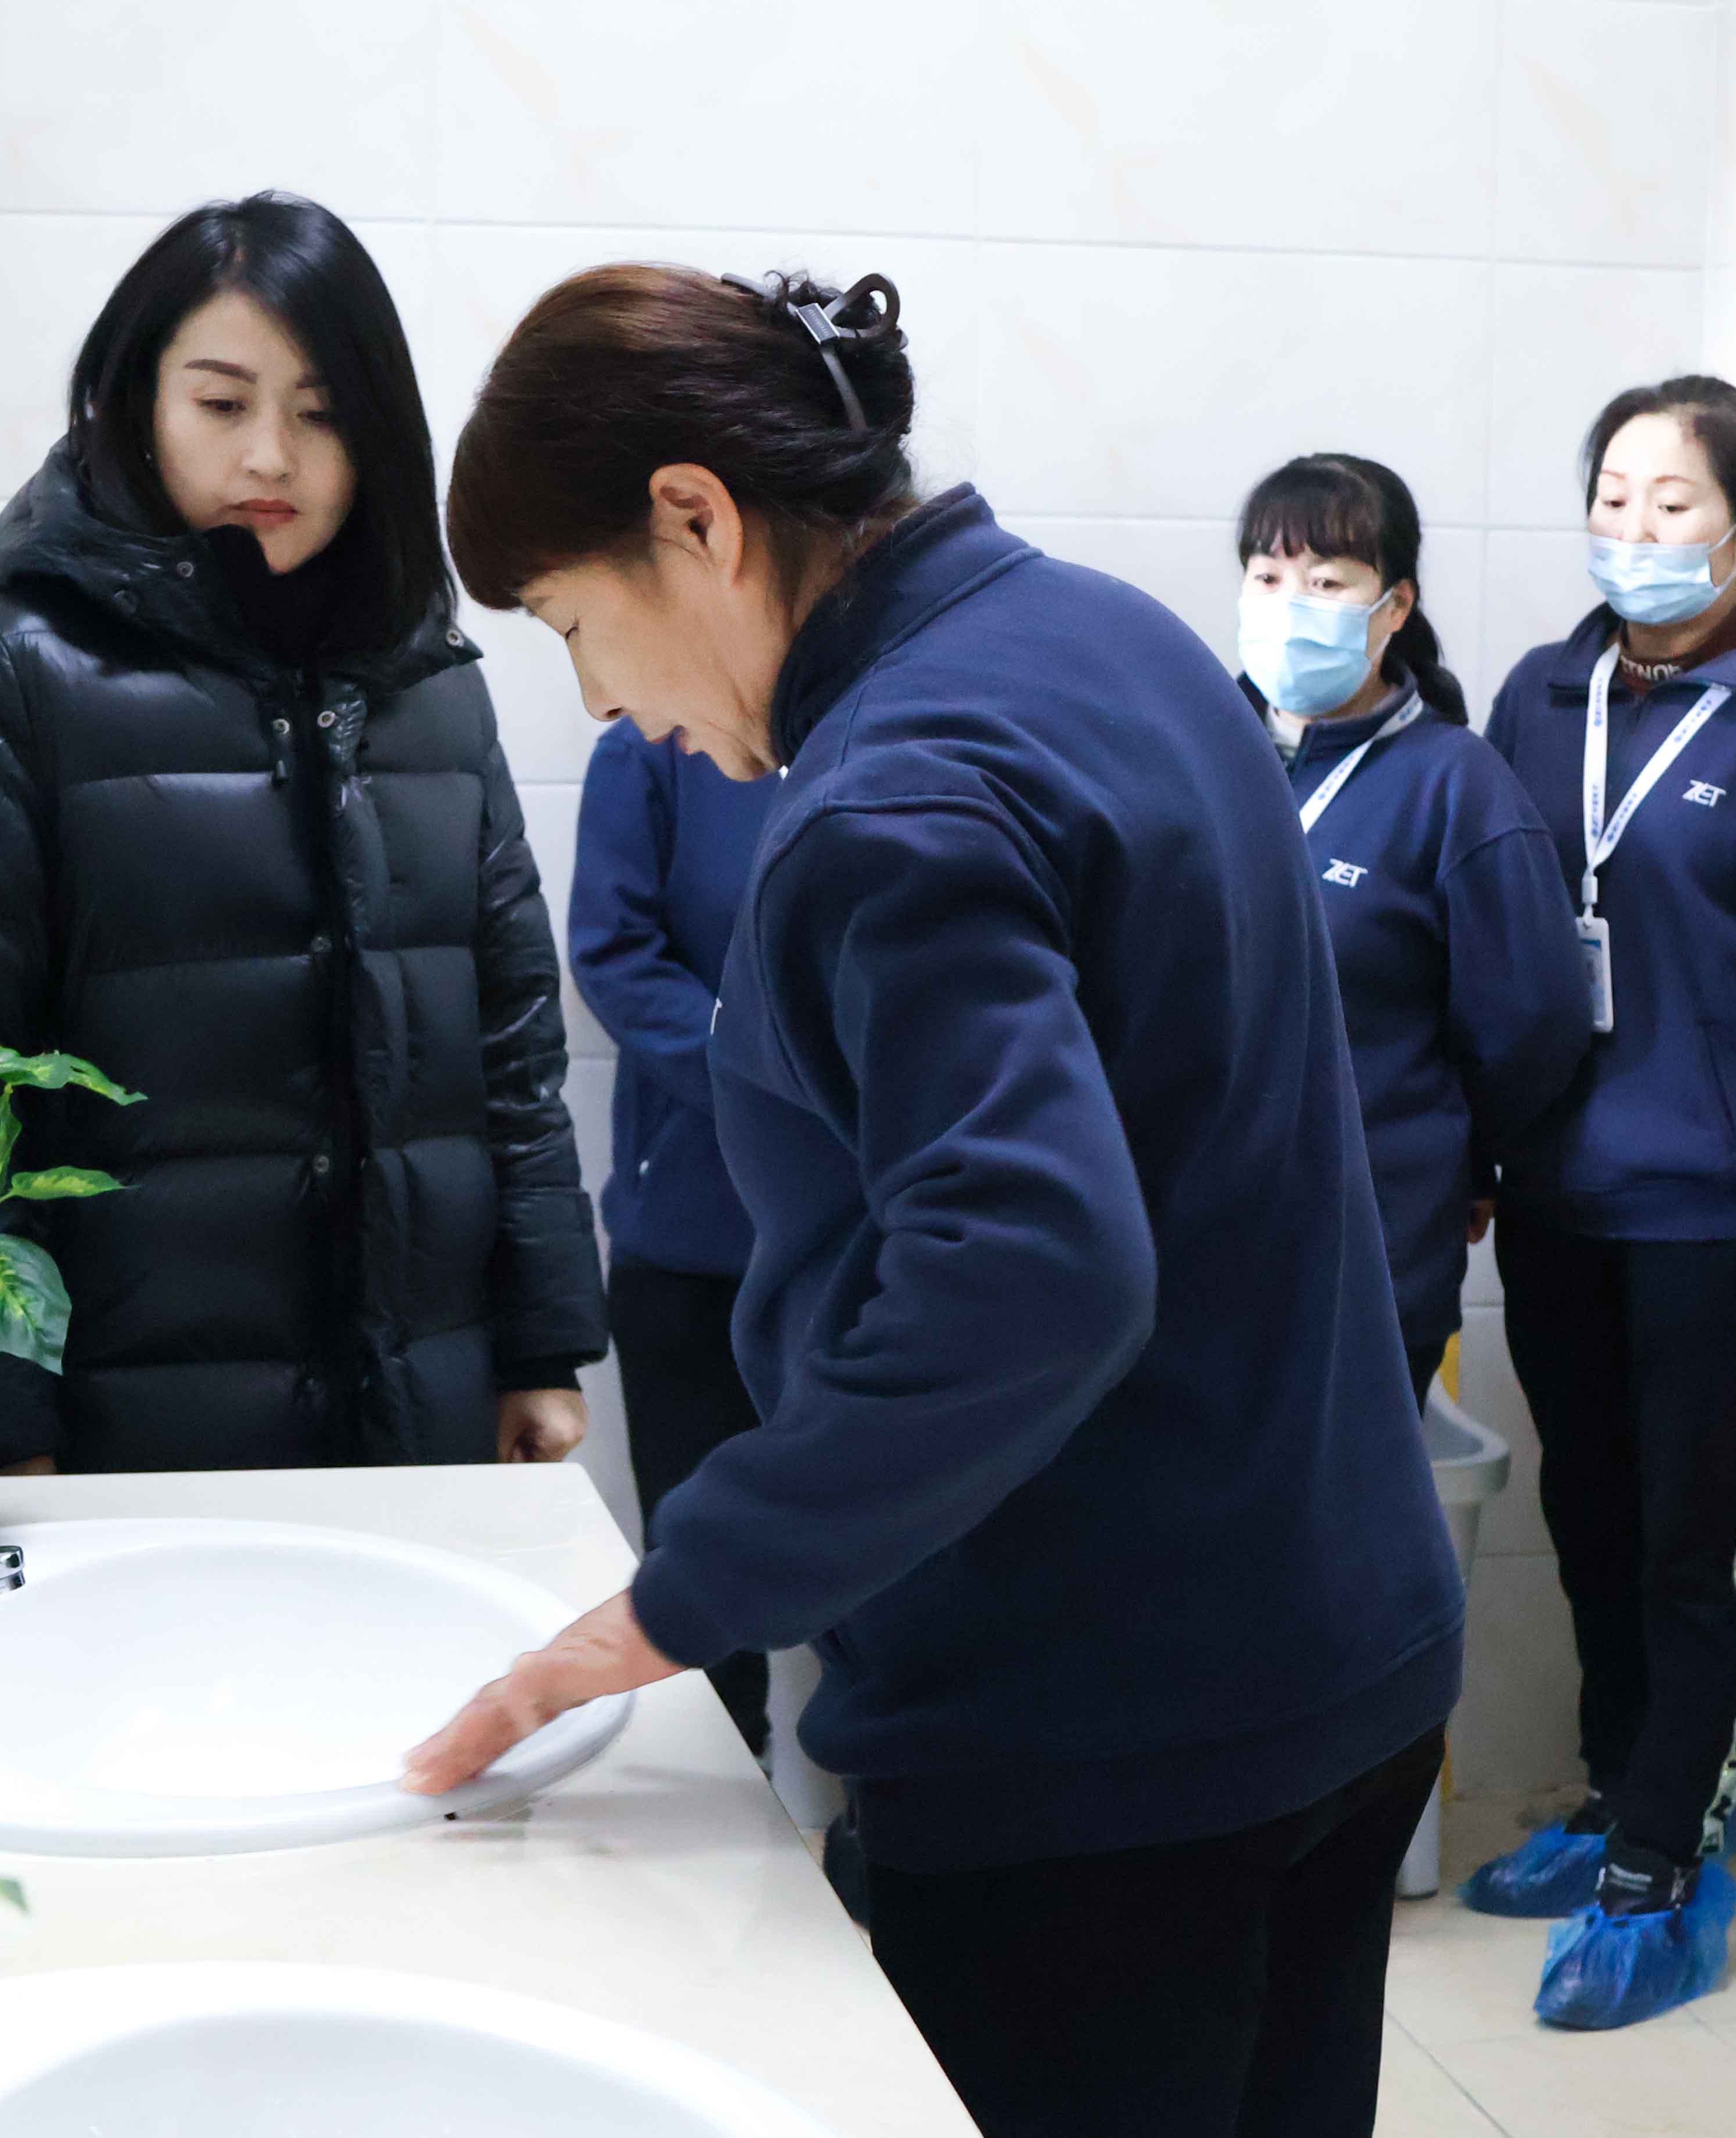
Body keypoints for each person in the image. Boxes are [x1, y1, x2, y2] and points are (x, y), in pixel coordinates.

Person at [403, 264, 1465, 2138]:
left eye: (575, 625)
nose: (608, 703)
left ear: (696, 520)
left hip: (1102, 1753)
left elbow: (1029, 1269)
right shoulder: (1114, 637)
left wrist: (678, 1595)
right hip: (1342, 1653)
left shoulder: (887, 796)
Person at [0, 193, 606, 1474]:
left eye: (322, 413)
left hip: (416, 1413)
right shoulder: (8, 677)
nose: (270, 456)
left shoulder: (430, 687)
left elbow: (512, 1049)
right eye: (220, 402)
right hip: (127, 1434)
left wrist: (539, 1345)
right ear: (135, 403)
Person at [1461, 376, 1736, 2030]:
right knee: (1589, 1520)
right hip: (1558, 1198)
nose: (1633, 528)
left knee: (1694, 1548)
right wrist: (1481, 1154)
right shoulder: (1538, 691)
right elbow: (1490, 942)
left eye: (1671, 501)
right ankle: (1612, 1795)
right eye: (1612, 497)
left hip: (1719, 1216)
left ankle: (1666, 1858)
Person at [1232, 454, 1593, 1407]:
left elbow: (1531, 1022)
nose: (1289, 606)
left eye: (1325, 583)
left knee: (1337, 1497)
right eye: (1266, 577)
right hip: (1198, 1241)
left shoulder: (1454, 786)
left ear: (1393, 607)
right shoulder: (1197, 755)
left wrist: (1458, 1147)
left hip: (1367, 1244)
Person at [569, 719, 783, 1754]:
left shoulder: (888, 727)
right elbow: (613, 951)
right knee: (702, 1590)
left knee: (900, 1586)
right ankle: (719, 1809)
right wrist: (769, 1076)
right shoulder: (655, 740)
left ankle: (880, 1836)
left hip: (875, 1249)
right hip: (695, 1244)